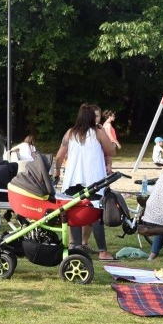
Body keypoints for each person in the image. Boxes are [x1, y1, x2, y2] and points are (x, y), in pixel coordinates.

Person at [53, 103, 117, 261]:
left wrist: (57, 171)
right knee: (96, 214)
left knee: (74, 213)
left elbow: (59, 156)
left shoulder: (70, 133)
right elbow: (111, 151)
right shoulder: (97, 133)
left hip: (72, 179)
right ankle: (103, 252)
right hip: (93, 180)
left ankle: (75, 247)